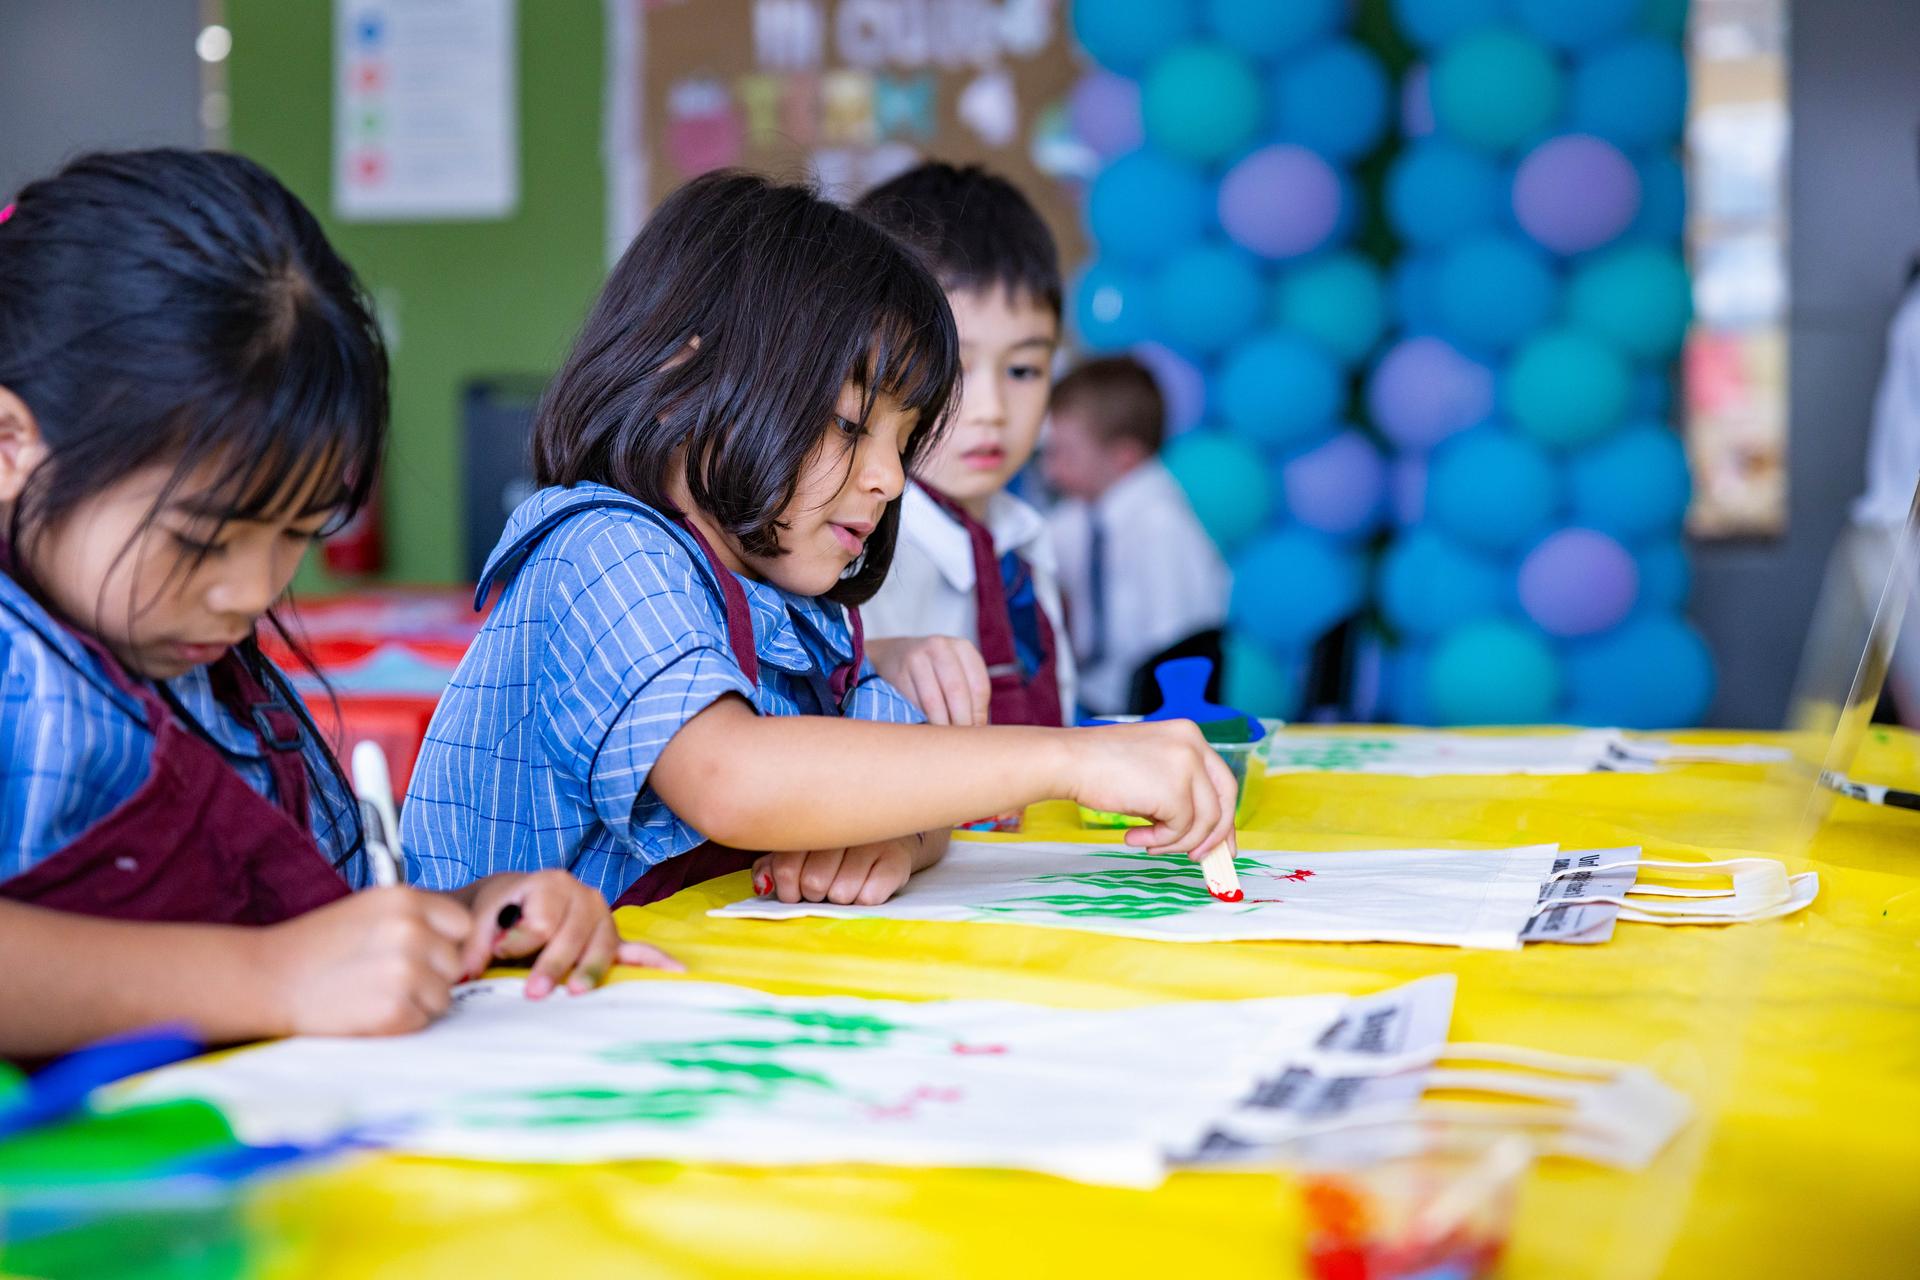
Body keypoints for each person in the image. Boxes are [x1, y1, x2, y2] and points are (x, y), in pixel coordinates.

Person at [400, 171, 1237, 911]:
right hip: (526, 1015)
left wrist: (894, 839)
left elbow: (912, 779)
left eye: (903, 443)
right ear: (684, 383)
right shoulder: (604, 553)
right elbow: (732, 777)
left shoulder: (794, 604)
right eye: (850, 425)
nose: (892, 481)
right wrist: (1069, 761)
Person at [0, 151, 672, 1060]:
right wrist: (269, 978)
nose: (252, 593)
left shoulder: (213, 679)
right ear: (10, 445)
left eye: (297, 531)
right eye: (199, 540)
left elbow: (324, 934)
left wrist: (464, 920)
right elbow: (287, 966)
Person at [855, 162, 1075, 727]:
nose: (991, 410)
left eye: (1023, 370)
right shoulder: (849, 552)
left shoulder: (1023, 546)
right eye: (952, 370)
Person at [1044, 357, 1230, 716]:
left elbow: (1174, 653)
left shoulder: (1162, 526)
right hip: (1092, 698)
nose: (1051, 471)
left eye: (1064, 454)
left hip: (1146, 711)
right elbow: (1035, 544)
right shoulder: (1084, 514)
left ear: (1124, 457)